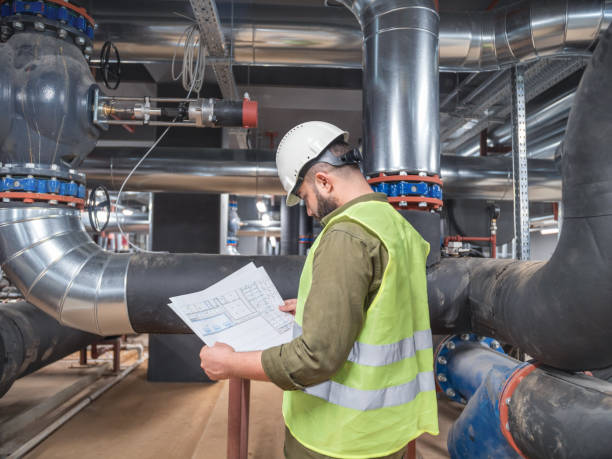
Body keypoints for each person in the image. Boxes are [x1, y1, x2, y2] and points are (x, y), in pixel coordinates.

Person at [200, 121, 438, 458]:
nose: (309, 210)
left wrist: (231, 363)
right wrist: (317, 306)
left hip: (338, 438)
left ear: (324, 181)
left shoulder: (346, 235)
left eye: (306, 197)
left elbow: (315, 358)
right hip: (387, 432)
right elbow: (387, 309)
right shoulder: (396, 227)